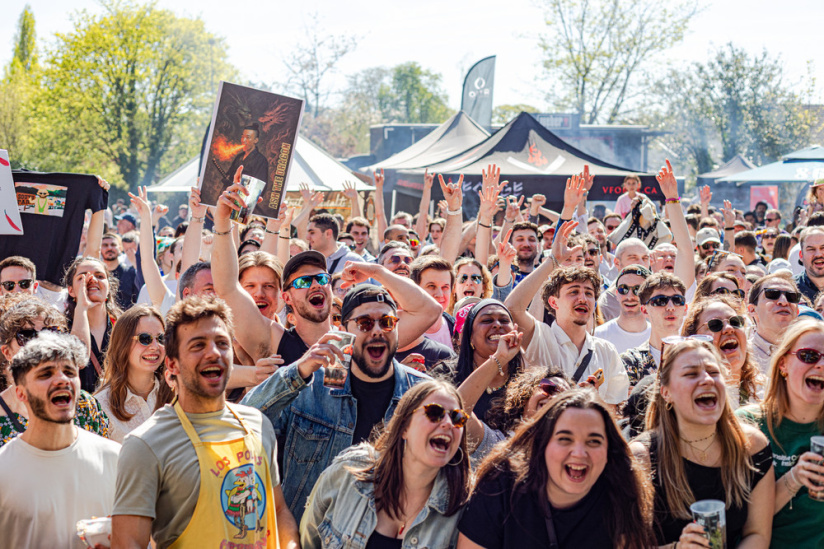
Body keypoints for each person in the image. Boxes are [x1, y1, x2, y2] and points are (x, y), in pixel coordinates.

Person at [111, 296, 299, 549]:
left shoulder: (258, 425)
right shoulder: (145, 444)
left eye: (222, 343)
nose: (213, 353)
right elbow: (128, 543)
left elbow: (277, 510)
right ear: (171, 364)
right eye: (198, 345)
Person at [241, 283, 432, 521]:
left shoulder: (423, 394)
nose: (376, 331)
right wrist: (298, 371)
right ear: (344, 329)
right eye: (364, 323)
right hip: (311, 535)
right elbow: (244, 420)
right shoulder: (310, 385)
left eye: (386, 322)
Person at [457, 388, 655, 549]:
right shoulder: (501, 485)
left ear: (608, 451)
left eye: (593, 441)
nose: (579, 452)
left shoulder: (621, 491)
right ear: (541, 446)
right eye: (565, 439)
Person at [630, 338, 774, 548]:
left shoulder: (751, 446)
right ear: (666, 393)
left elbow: (757, 533)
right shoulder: (642, 458)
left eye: (713, 372)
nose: (707, 380)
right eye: (690, 374)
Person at [300, 380, 470, 548]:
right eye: (435, 412)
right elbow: (307, 541)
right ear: (404, 427)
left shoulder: (465, 509)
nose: (448, 423)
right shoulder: (348, 471)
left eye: (458, 417)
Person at [0, 331, 121, 548]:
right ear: (21, 394)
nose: (62, 380)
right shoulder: (3, 469)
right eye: (46, 374)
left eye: (69, 372)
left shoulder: (115, 458)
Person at [506, 221, 630, 405]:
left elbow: (618, 409)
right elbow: (512, 308)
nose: (583, 299)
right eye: (573, 292)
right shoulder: (541, 338)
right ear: (553, 302)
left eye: (589, 293)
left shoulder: (606, 350)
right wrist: (552, 261)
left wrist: (594, 402)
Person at [736, 319, 824, 548]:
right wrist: (795, 478)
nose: (821, 365)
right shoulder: (747, 426)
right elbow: (736, 515)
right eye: (809, 356)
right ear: (783, 364)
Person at [0, 298, 110, 446]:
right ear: (7, 352)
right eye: (26, 336)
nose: (41, 342)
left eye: (51, 332)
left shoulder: (84, 404)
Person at [433, 299, 524, 421]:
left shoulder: (525, 380)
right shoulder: (446, 374)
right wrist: (499, 359)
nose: (497, 325)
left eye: (504, 320)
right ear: (470, 336)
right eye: (487, 320)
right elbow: (449, 417)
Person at [94, 305, 175, 443]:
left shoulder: (178, 393)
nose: (155, 346)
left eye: (161, 338)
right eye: (145, 338)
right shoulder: (99, 406)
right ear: (123, 343)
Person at [682, 295, 761, 407]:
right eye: (715, 325)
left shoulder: (768, 391)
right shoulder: (685, 399)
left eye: (735, 322)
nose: (729, 329)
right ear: (694, 339)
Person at [65, 256, 122, 393]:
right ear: (71, 290)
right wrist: (82, 307)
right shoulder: (61, 328)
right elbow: (79, 360)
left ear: (109, 286)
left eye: (100, 276)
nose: (92, 280)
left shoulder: (124, 325)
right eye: (82, 278)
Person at [621, 272, 688, 386]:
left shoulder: (697, 354)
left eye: (677, 300)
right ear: (644, 310)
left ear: (685, 308)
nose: (671, 307)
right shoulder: (631, 361)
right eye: (660, 301)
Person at [747, 274, 801, 374]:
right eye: (772, 294)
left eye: (791, 296)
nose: (784, 302)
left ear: (797, 312)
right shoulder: (741, 357)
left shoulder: (812, 355)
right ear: (752, 310)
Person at [594, 265, 652, 354]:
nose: (629, 297)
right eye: (623, 289)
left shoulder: (658, 335)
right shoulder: (599, 335)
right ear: (617, 294)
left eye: (637, 290)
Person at [596, 237, 651, 322]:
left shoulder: (657, 296)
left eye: (645, 258)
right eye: (633, 258)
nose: (641, 263)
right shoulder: (606, 306)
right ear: (617, 263)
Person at [410, 256, 456, 348]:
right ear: (415, 289)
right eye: (431, 286)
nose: (439, 294)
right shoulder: (399, 332)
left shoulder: (458, 331)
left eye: (445, 287)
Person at [101, 232, 139, 310]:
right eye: (105, 245)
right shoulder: (97, 275)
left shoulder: (131, 273)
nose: (109, 248)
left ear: (120, 248)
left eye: (113, 245)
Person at [795, 226, 824, 303]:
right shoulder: (791, 290)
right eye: (811, 249)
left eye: (823, 248)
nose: (818, 254)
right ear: (801, 255)